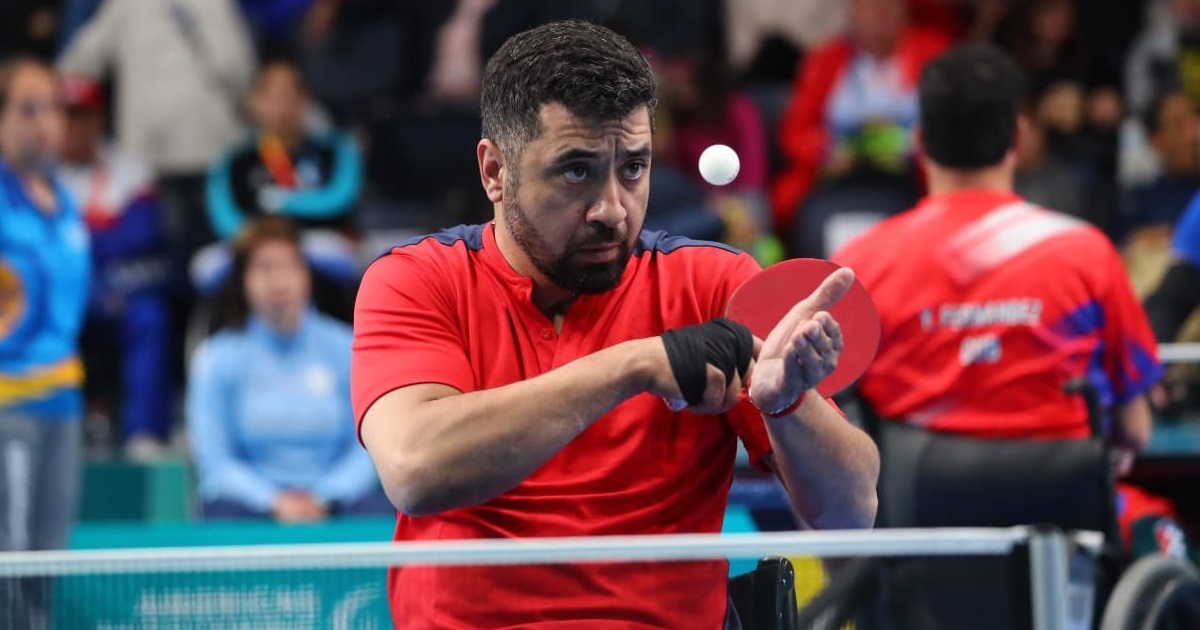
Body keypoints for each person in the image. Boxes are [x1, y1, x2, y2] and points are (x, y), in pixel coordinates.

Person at [352, 20, 879, 629]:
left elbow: (851, 513)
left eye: (633, 168)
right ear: (495, 171)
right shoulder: (417, 281)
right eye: (576, 171)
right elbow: (416, 469)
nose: (611, 209)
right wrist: (634, 365)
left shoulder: (711, 283)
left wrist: (788, 408)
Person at [834, 44, 1185, 559]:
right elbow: (1134, 429)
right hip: (1065, 546)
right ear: (1018, 137)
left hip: (919, 545)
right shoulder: (1085, 252)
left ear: (920, 141)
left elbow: (834, 424)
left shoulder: (857, 266)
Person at [187, 217, 386, 521]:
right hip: (251, 507)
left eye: (289, 265)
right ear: (243, 281)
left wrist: (324, 496)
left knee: (380, 511)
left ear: (306, 274)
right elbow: (214, 461)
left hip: (335, 503)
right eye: (264, 268)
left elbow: (369, 447)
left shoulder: (349, 348)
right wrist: (273, 501)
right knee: (217, 511)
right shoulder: (215, 358)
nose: (279, 281)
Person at [0, 57, 91, 627]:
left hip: (63, 401)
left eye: (53, 108)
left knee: (46, 564)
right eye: (27, 110)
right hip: (7, 406)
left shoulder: (63, 196)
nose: (45, 123)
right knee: (7, 567)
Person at [57, 74, 174, 460]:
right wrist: (95, 239)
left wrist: (74, 239)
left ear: (100, 119)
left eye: (82, 116)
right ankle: (39, 428)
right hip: (53, 293)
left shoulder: (129, 171)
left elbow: (140, 236)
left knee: (149, 315)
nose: (74, 127)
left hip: (112, 292)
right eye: (66, 116)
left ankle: (144, 434)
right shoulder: (33, 170)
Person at [771, 0, 949, 232]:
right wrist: (826, 150)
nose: (879, 17)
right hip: (835, 177)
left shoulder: (933, 51)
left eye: (888, 8)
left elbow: (952, 120)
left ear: (904, 11)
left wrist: (922, 142)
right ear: (853, 12)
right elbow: (794, 131)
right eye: (870, 8)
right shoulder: (825, 59)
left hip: (912, 178)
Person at [206, 58, 361, 242]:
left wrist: (278, 201)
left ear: (305, 100)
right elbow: (224, 217)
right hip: (257, 245)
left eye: (289, 93)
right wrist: (261, 239)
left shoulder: (336, 148)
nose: (280, 102)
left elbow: (341, 199)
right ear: (253, 101)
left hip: (321, 240)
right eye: (271, 94)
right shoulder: (232, 159)